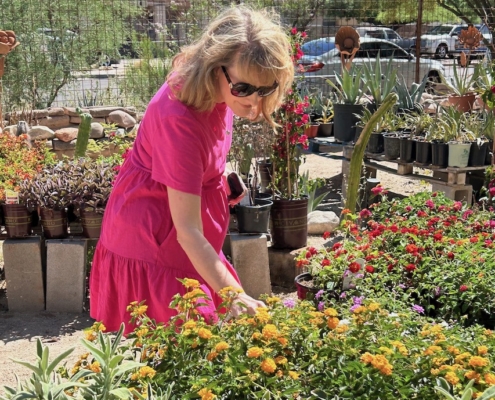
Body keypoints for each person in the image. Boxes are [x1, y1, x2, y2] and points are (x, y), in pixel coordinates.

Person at [89, 6, 294, 333]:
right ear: (216, 68)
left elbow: (205, 146)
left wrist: (223, 173)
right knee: (184, 354)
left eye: (266, 88)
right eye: (244, 89)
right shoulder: (179, 119)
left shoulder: (217, 87)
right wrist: (235, 295)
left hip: (186, 234)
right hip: (157, 238)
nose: (255, 100)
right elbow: (188, 231)